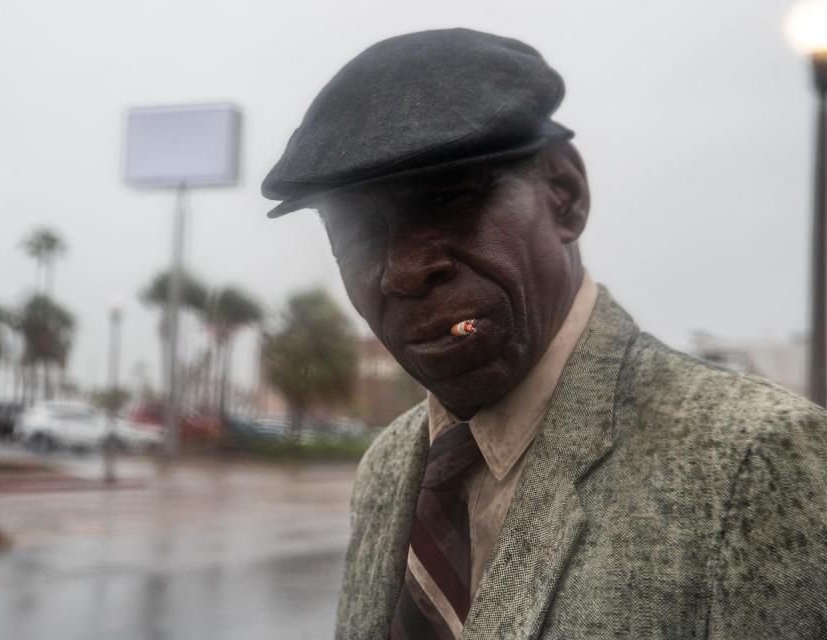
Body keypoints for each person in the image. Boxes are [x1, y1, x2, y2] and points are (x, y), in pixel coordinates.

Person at [262, 28, 827, 640]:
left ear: (565, 194)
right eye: (359, 233)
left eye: (448, 200)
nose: (403, 271)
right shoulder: (386, 468)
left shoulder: (754, 459)